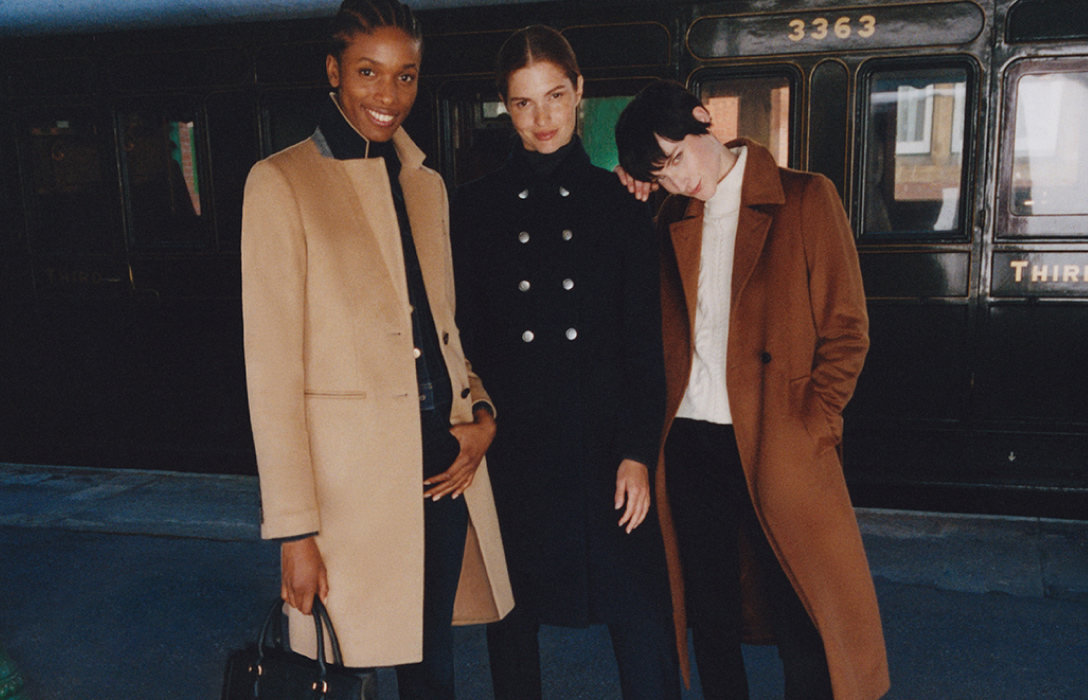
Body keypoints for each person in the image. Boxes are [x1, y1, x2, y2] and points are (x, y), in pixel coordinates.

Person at [240, 2, 513, 698]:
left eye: (405, 76)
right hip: (345, 496)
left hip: (442, 470)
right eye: (368, 72)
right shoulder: (280, 183)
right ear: (333, 71)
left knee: (435, 675)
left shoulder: (426, 185)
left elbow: (445, 333)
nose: (388, 96)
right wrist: (294, 533)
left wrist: (481, 416)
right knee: (343, 672)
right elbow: (272, 379)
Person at [614, 80, 890, 700]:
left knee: (801, 611)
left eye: (678, 159)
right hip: (689, 442)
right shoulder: (666, 217)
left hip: (776, 438)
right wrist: (635, 190)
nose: (679, 181)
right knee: (710, 617)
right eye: (660, 174)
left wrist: (813, 422)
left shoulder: (805, 197)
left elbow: (847, 329)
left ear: (703, 121)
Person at [450, 25, 680, 700]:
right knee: (512, 633)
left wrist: (638, 449)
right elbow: (462, 339)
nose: (542, 118)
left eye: (554, 96)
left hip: (606, 447)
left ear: (580, 93)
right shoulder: (475, 209)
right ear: (504, 107)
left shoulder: (623, 204)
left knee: (641, 628)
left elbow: (644, 341)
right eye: (523, 103)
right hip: (517, 452)